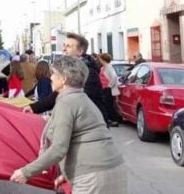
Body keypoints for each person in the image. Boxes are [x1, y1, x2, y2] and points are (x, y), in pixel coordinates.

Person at [10, 56, 127, 194]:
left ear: (64, 79)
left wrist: (26, 172)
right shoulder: (82, 99)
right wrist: (66, 175)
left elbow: (59, 149)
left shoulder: (66, 102)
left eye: (53, 73)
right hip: (114, 169)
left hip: (92, 175)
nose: (51, 77)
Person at [98, 53, 121, 127]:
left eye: (100, 59)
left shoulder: (109, 67)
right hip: (103, 88)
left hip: (107, 89)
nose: (99, 60)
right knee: (106, 104)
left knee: (109, 104)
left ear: (103, 59)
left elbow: (114, 76)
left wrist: (109, 85)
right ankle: (110, 119)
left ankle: (114, 120)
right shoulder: (103, 67)